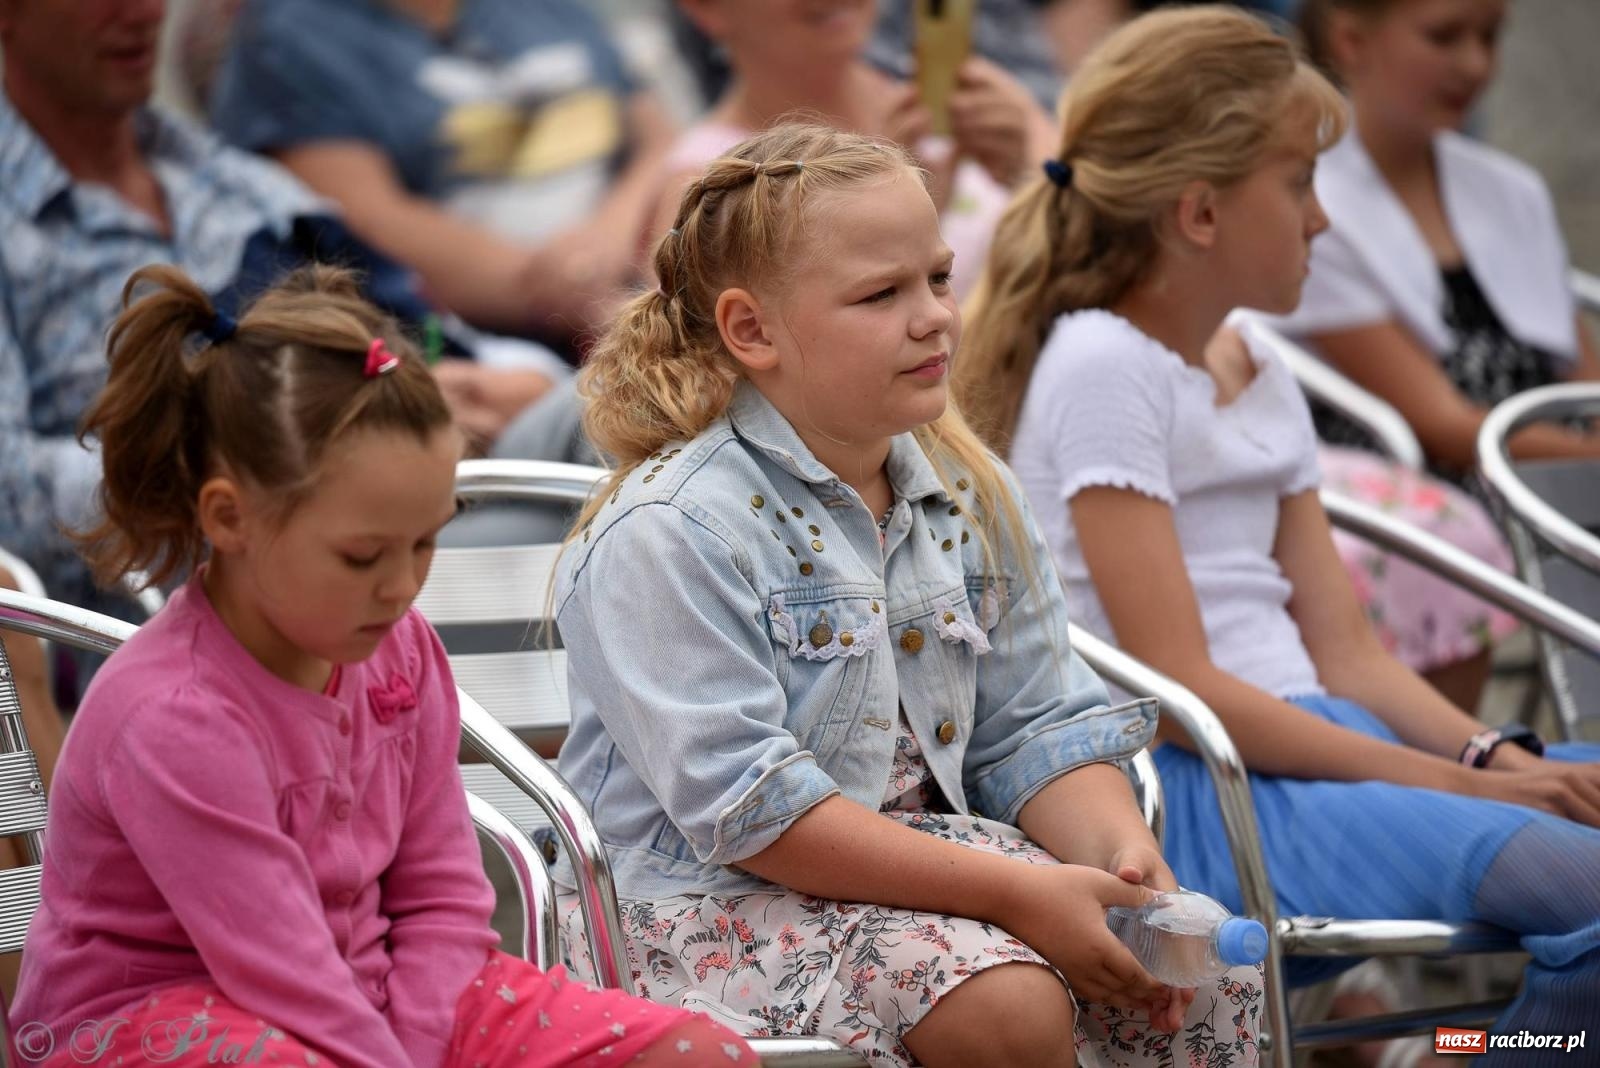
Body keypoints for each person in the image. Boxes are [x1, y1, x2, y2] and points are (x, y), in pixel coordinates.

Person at [959, 6, 1600, 1062]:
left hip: (1328, 751)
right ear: (1200, 211)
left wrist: (1486, 750)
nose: (1321, 221)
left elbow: (1348, 652)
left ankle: (1445, 1050)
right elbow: (1183, 688)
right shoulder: (1101, 364)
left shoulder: (1252, 358)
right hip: (1225, 791)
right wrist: (1468, 784)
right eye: (1298, 184)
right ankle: (1462, 1057)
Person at [553, 122, 1263, 1068]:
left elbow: (1035, 727)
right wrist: (1016, 897)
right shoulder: (670, 528)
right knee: (1004, 1004)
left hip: (935, 883)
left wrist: (1120, 861)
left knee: (1200, 976)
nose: (933, 315)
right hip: (699, 913)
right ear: (751, 330)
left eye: (936, 277)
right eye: (881, 294)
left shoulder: (968, 490)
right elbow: (751, 812)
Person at [9, 264, 750, 1068]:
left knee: (694, 1051)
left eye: (427, 541)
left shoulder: (399, 648)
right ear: (230, 518)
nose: (402, 587)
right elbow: (280, 970)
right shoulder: (173, 717)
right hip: (157, 1021)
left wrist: (434, 1037)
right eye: (363, 556)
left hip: (378, 997)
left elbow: (441, 895)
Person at [0, 0, 558, 624]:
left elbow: (424, 328)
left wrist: (515, 378)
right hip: (256, 591)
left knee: (597, 412)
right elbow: (11, 493)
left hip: (442, 487)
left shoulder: (226, 176)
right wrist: (273, 450)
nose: (144, 13)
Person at [210, 0, 678, 345]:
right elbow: (369, 223)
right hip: (473, 346)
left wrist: (611, 240)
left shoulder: (551, 10)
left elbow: (660, 142)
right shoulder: (291, 35)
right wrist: (594, 303)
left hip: (636, 285)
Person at [1280, 0, 1600, 481]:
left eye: (1490, 37)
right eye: (1444, 37)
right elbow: (1443, 428)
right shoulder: (1313, 210)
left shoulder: (1512, 191)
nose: (1476, 64)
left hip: (1566, 480)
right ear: (1352, 42)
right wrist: (1589, 460)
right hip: (1448, 514)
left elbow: (1584, 378)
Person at [653, 0, 1055, 300]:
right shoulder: (706, 185)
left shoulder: (947, 92)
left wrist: (1038, 165)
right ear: (705, 8)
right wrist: (899, 213)